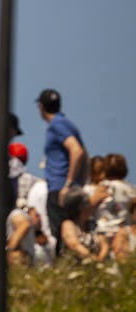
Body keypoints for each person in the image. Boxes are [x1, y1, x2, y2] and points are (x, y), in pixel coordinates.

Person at [36, 88, 87, 252]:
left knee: (62, 233)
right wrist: (80, 184)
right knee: (73, 231)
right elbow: (85, 157)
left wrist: (68, 184)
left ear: (41, 107)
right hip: (70, 187)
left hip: (59, 187)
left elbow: (77, 151)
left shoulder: (56, 126)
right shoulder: (68, 124)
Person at [59, 186, 109, 263]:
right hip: (75, 269)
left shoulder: (93, 224)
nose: (90, 205)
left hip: (96, 266)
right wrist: (92, 258)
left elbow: (104, 243)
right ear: (81, 207)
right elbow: (74, 245)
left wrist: (100, 259)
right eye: (88, 203)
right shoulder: (68, 224)